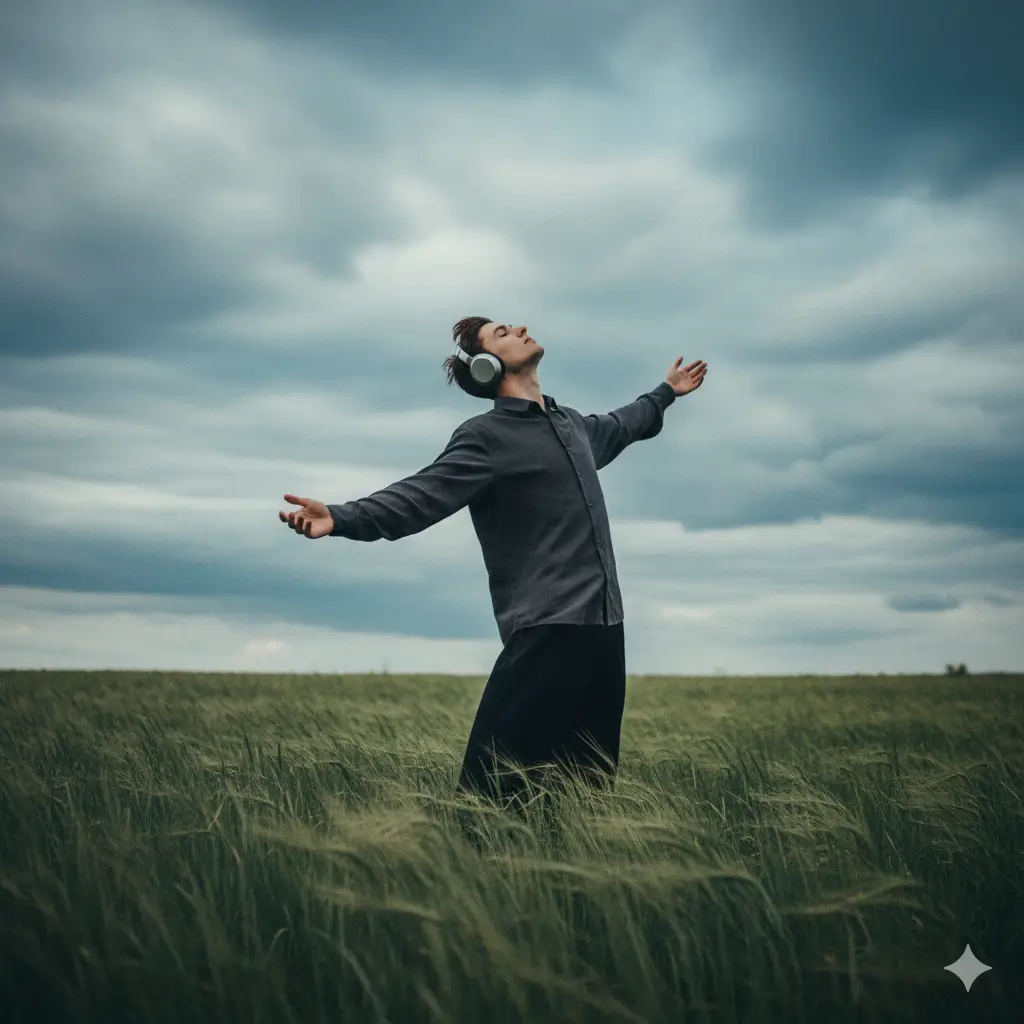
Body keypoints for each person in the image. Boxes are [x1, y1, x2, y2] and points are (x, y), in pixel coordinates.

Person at [279, 318, 708, 813]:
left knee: (587, 795)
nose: (520, 328)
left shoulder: (573, 427)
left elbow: (625, 423)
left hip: (606, 631)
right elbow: (421, 495)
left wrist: (666, 392)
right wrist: (340, 517)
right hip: (546, 630)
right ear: (486, 365)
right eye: (503, 332)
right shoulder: (485, 437)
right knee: (492, 793)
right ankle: (470, 860)